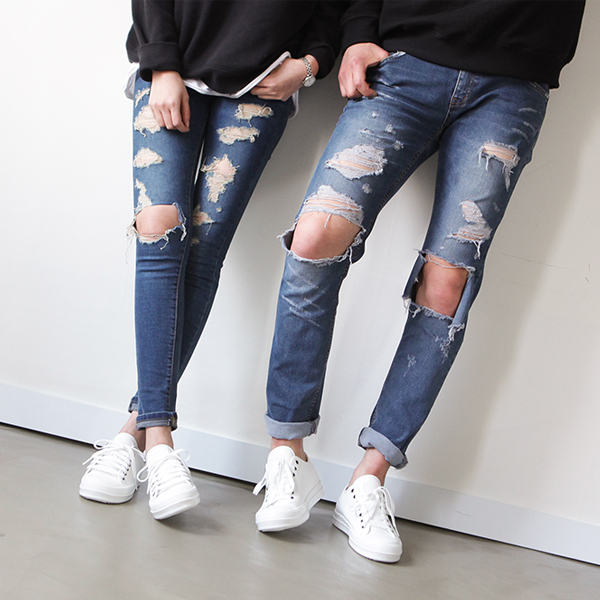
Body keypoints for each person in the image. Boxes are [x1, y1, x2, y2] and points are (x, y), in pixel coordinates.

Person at [254, 0, 586, 563]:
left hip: (512, 83)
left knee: (447, 281)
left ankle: (369, 478)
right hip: (405, 63)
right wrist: (358, 32)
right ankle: (288, 454)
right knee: (315, 236)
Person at [79, 0, 341, 521]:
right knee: (158, 232)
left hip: (261, 84)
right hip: (175, 66)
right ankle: (160, 439)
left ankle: (134, 435)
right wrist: (162, 63)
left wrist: (310, 64)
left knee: (202, 252)